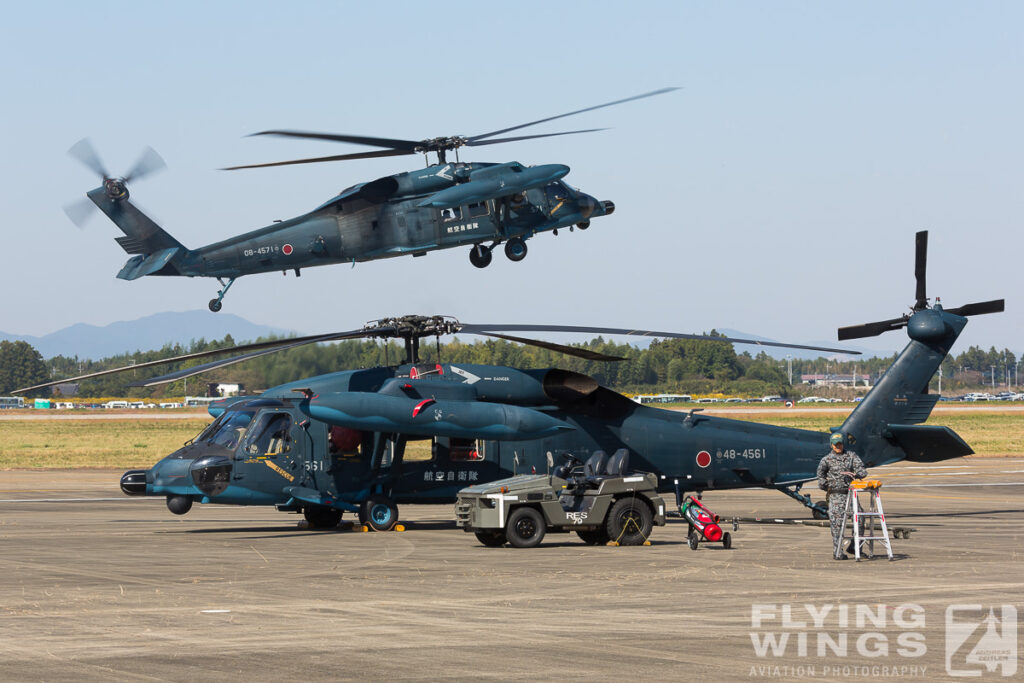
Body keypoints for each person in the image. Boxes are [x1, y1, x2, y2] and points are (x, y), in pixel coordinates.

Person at [817, 432, 867, 560]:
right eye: (835, 444)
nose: (838, 446)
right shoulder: (826, 460)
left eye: (839, 444)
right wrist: (825, 485)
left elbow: (862, 470)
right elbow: (820, 475)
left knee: (860, 519)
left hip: (851, 495)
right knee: (836, 524)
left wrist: (856, 474)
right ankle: (838, 551)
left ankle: (855, 547)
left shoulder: (851, 456)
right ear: (831, 445)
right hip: (836, 496)